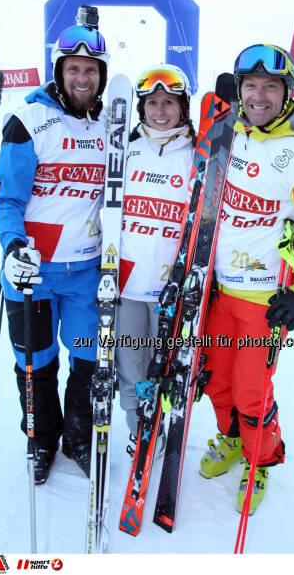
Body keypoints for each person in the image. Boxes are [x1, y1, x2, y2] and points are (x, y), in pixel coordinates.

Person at [199, 44, 294, 514]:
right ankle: (230, 438)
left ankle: (259, 458)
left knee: (251, 390)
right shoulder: (231, 133)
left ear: (287, 94)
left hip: (264, 301)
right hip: (218, 292)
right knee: (213, 380)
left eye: (270, 86)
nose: (259, 96)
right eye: (250, 86)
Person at [0, 23, 109, 484]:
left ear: (101, 74)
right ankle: (41, 438)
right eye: (74, 68)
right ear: (60, 71)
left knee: (85, 359)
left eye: (91, 69)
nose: (83, 78)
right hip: (33, 274)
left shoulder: (112, 125)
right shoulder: (28, 120)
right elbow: (6, 199)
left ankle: (78, 437)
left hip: (86, 275)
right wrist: (13, 246)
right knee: (35, 364)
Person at [116, 64, 196, 448]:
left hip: (172, 286)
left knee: (165, 365)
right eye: (151, 103)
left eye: (168, 102)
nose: (159, 110)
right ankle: (138, 429)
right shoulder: (126, 152)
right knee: (130, 363)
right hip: (129, 283)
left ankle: (160, 421)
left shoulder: (198, 158)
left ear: (183, 108)